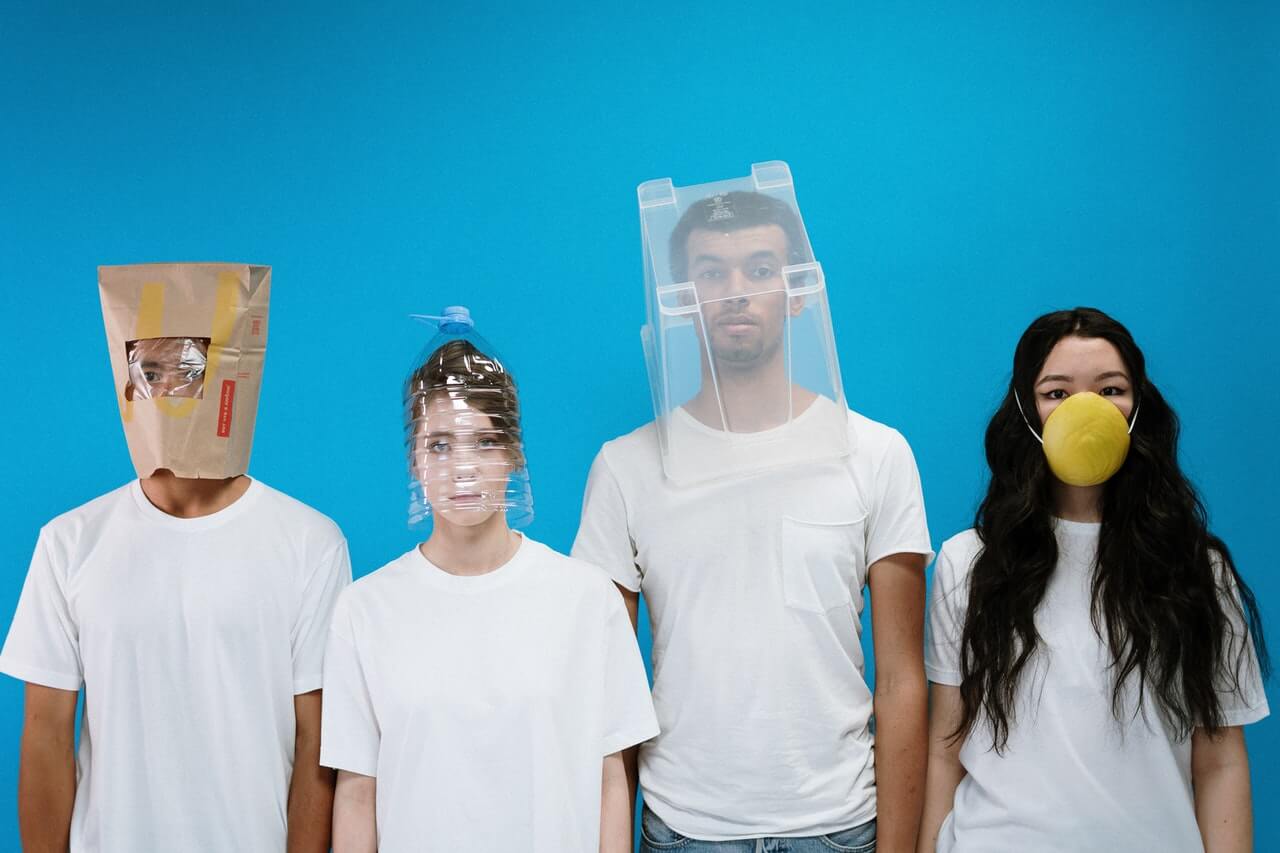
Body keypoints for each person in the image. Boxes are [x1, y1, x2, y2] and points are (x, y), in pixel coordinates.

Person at [574, 165, 933, 851]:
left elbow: (902, 679)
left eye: (760, 268)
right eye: (710, 273)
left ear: (797, 290)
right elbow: (605, 692)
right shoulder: (625, 467)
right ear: (681, 298)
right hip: (686, 830)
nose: (736, 292)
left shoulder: (876, 453)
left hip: (839, 827)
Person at [0, 263, 350, 852]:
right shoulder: (70, 541)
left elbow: (318, 741)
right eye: (151, 372)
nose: (170, 393)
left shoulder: (310, 542)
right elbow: (44, 736)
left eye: (192, 371)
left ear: (231, 381)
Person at [919, 307, 1270, 853]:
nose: (1086, 410)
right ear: (1025, 411)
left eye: (1110, 390)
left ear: (1137, 408)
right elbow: (946, 745)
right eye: (1057, 393)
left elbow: (1221, 760)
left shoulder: (1197, 570)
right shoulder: (967, 563)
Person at [321, 308, 658, 853]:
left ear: (516, 454)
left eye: (484, 441)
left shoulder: (584, 598)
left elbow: (609, 777)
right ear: (414, 460)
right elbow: (358, 791)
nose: (463, 467)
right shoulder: (365, 609)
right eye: (439, 444)